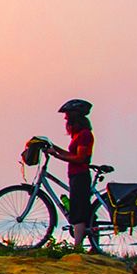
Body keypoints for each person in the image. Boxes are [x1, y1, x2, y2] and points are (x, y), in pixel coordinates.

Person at [34, 98, 98, 248]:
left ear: (75, 116)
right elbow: (70, 154)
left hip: (80, 175)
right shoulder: (78, 135)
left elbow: (80, 158)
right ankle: (91, 246)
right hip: (75, 175)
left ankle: (77, 247)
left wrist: (56, 155)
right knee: (81, 209)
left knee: (78, 212)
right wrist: (53, 147)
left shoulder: (84, 134)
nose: (65, 118)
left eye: (67, 115)